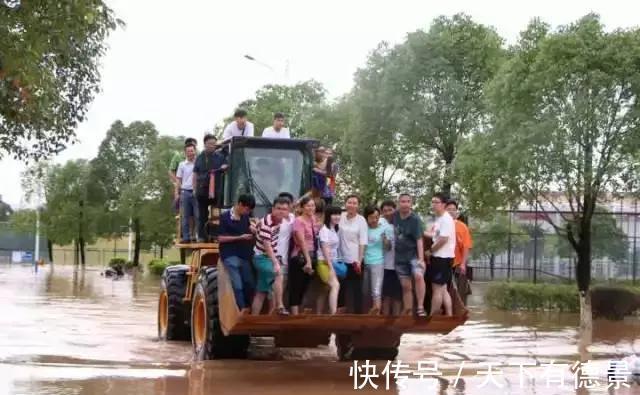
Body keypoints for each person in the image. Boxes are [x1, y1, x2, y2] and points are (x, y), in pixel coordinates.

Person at [251, 197, 290, 316]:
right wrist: (275, 263)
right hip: (261, 258)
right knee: (278, 274)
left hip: (268, 257)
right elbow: (267, 246)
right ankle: (280, 305)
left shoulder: (283, 221)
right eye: (278, 208)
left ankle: (254, 321)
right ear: (273, 209)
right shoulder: (266, 223)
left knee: (261, 292)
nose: (281, 211)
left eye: (284, 209)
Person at [219, 194, 256, 311]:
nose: (248, 212)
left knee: (249, 282)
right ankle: (241, 308)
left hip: (245, 254)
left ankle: (249, 306)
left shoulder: (245, 217)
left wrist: (253, 228)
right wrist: (240, 237)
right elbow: (220, 238)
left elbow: (248, 227)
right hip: (230, 254)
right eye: (247, 209)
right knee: (238, 284)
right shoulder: (224, 217)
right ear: (240, 204)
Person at [393, 193, 426, 316]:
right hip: (399, 257)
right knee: (406, 286)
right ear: (398, 203)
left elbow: (419, 240)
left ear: (411, 204)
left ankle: (421, 307)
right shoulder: (395, 215)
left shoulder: (415, 219)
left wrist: (421, 259)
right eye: (402, 201)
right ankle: (408, 310)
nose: (405, 204)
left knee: (418, 276)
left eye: (408, 201)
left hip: (413, 255)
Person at [425, 192, 456, 316]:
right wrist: (420, 231)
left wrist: (430, 251)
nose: (433, 205)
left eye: (436, 202)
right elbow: (435, 236)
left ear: (443, 204)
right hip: (441, 257)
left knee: (436, 289)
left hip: (442, 258)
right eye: (432, 202)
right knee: (443, 289)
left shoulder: (446, 219)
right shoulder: (439, 219)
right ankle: (449, 315)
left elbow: (443, 239)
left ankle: (433, 317)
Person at [193, 134, 227, 242]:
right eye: (210, 144)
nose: (212, 146)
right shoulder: (199, 157)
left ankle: (215, 235)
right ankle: (202, 237)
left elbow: (226, 166)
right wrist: (194, 189)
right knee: (202, 215)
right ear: (205, 144)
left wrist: (224, 167)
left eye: (214, 144)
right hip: (202, 190)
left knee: (216, 213)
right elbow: (195, 174)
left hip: (216, 190)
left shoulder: (220, 157)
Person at [337, 194, 368, 314]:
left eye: (355, 203)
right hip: (340, 259)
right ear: (345, 204)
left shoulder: (361, 220)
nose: (352, 205)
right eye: (349, 202)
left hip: (356, 260)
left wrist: (359, 260)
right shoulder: (340, 216)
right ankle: (339, 313)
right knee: (341, 288)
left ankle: (358, 315)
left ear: (358, 206)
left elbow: (363, 241)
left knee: (357, 289)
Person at [288, 196, 317, 315]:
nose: (311, 208)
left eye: (313, 205)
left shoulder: (313, 219)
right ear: (303, 207)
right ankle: (295, 315)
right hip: (300, 257)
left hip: (311, 255)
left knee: (305, 287)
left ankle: (299, 312)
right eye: (308, 206)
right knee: (296, 286)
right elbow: (302, 242)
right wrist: (308, 261)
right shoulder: (298, 221)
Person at [363, 205, 392, 315]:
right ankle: (367, 314)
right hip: (364, 262)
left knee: (376, 291)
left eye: (376, 217)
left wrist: (385, 241)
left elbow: (388, 248)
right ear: (366, 217)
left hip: (377, 262)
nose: (374, 220)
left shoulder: (384, 228)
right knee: (365, 291)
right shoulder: (363, 227)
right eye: (371, 217)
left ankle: (377, 314)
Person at [315, 205, 344, 314]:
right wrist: (331, 266)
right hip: (324, 262)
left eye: (338, 214)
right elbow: (325, 249)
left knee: (325, 289)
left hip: (332, 262)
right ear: (328, 216)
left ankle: (319, 314)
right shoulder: (324, 230)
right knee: (335, 285)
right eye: (334, 214)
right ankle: (333, 314)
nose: (337, 217)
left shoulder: (335, 229)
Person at [446, 199, 473, 305]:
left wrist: (463, 264)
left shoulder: (462, 227)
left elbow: (467, 246)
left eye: (453, 209)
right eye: (448, 209)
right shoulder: (439, 224)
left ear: (457, 212)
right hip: (443, 262)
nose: (451, 212)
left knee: (459, 291)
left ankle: (459, 310)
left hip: (457, 263)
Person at [380, 200, 402, 316]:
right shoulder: (380, 223)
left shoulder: (401, 222)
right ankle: (385, 322)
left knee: (398, 296)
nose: (388, 213)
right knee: (387, 296)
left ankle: (397, 321)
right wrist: (384, 238)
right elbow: (387, 246)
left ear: (395, 209)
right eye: (385, 211)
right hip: (385, 266)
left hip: (400, 265)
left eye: (390, 210)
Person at [175, 143, 198, 243]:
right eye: (188, 151)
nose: (190, 153)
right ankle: (186, 237)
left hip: (196, 192)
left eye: (192, 151)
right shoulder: (182, 165)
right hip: (185, 192)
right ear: (185, 153)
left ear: (195, 151)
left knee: (198, 215)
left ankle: (198, 236)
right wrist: (179, 192)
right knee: (185, 216)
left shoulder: (198, 163)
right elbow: (178, 179)